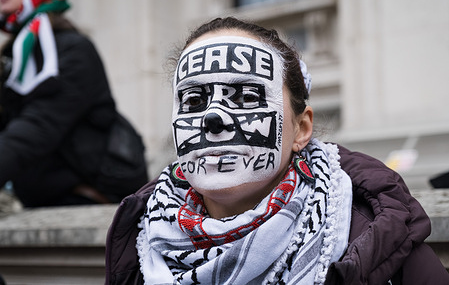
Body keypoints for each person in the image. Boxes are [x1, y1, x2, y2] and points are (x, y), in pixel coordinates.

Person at [105, 17, 449, 284]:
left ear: (301, 129)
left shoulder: (379, 240)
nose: (212, 118)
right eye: (194, 100)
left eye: (247, 97)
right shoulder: (136, 241)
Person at [0, 0, 148, 207]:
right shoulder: (14, 55)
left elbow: (38, 128)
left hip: (89, 199)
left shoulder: (73, 49)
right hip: (41, 201)